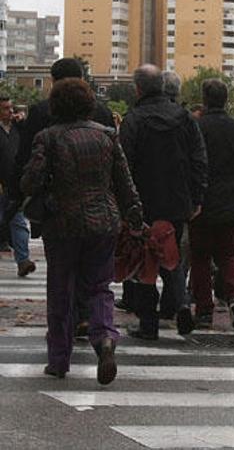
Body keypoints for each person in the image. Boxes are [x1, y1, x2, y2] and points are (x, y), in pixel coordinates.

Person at [21, 77, 143, 385]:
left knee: (61, 288)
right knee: (100, 286)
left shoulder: (47, 137)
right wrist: (134, 213)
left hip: (63, 223)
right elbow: (124, 182)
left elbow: (30, 182)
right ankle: (104, 337)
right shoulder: (107, 136)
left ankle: (59, 359)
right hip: (104, 221)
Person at [9, 57, 117, 334]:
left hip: (56, 206)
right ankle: (87, 318)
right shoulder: (102, 114)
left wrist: (18, 192)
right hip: (98, 204)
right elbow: (118, 164)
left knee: (61, 268)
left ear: (54, 81)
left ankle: (63, 332)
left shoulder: (41, 113)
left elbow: (26, 161)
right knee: (92, 271)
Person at [119, 64, 208, 339]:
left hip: (143, 201)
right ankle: (179, 302)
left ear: (138, 88)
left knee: (146, 258)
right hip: (177, 201)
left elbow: (123, 165)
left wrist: (124, 203)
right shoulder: (184, 117)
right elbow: (199, 159)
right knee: (171, 255)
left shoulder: (133, 119)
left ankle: (148, 323)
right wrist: (197, 197)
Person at [189, 79, 234, 329]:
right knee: (229, 254)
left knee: (201, 257)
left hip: (202, 203)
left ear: (205, 99)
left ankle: (204, 308)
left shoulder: (197, 126)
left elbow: (191, 165)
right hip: (231, 202)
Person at [0, 96, 35, 277]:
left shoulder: (17, 129)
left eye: (11, 108)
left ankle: (23, 260)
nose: (10, 112)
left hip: (14, 185)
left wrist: (23, 123)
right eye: (5, 108)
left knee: (18, 221)